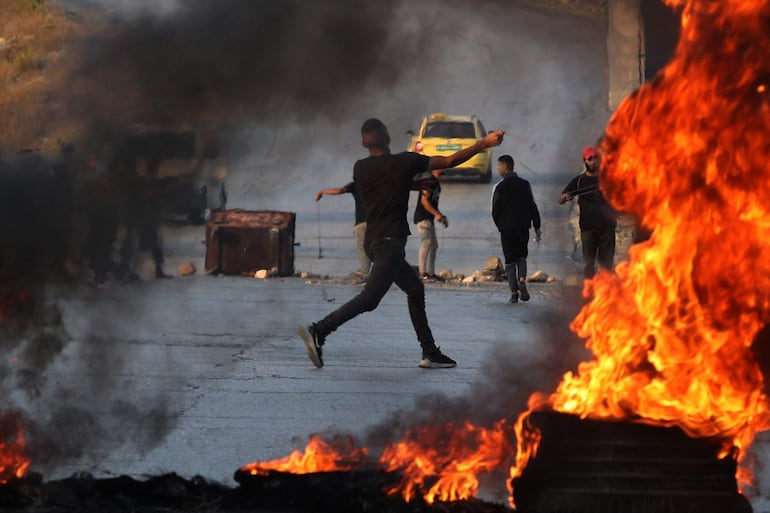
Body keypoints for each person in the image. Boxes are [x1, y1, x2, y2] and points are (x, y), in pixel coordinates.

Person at [299, 118, 504, 369]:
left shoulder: (360, 168)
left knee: (415, 290)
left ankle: (429, 351)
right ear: (387, 137)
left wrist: (413, 183)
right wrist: (483, 142)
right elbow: (450, 161)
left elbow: (388, 185)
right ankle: (319, 330)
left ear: (364, 142)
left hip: (372, 241)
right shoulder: (405, 162)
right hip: (389, 243)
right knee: (370, 299)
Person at [558, 146, 617, 278]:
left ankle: (606, 292)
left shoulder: (608, 178)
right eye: (590, 159)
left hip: (607, 228)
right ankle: (590, 290)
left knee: (607, 265)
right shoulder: (579, 181)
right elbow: (562, 198)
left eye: (596, 158)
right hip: (588, 229)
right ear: (584, 161)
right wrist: (565, 197)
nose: (593, 161)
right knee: (588, 265)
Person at [491, 155, 542, 303]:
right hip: (523, 227)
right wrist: (537, 225)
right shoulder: (525, 184)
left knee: (509, 260)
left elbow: (495, 209)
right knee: (521, 256)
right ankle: (522, 280)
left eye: (499, 165)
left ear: (505, 167)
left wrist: (500, 225)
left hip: (507, 229)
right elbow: (532, 206)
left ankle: (514, 292)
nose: (498, 168)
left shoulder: (499, 187)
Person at [315, 181, 371, 279]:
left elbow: (339, 190)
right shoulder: (379, 182)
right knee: (376, 247)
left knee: (362, 247)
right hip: (378, 222)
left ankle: (365, 273)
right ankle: (374, 271)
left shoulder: (358, 183)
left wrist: (322, 192)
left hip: (362, 223)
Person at [413, 169, 447, 282]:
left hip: (429, 218)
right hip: (423, 217)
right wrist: (437, 214)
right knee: (426, 243)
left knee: (434, 245)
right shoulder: (429, 182)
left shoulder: (435, 183)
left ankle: (431, 272)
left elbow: (433, 203)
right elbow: (424, 201)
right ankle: (422, 273)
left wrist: (441, 216)